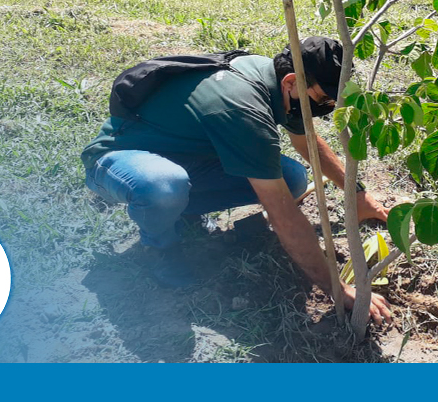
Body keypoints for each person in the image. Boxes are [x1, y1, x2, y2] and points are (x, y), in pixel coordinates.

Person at [81, 37, 392, 324]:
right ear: (292, 82)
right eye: (324, 98)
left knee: (292, 177)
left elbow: (307, 141)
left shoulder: (282, 80)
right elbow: (283, 214)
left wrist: (357, 194)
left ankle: (183, 209)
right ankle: (161, 246)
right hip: (121, 158)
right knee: (163, 186)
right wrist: (336, 288)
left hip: (187, 156)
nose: (328, 108)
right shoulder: (242, 107)